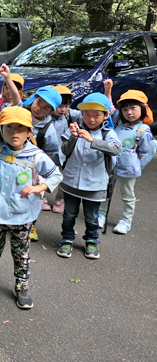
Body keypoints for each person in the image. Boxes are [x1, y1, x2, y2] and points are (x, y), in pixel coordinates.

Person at [0, 81, 62, 309]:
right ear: (1, 130)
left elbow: (56, 175)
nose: (14, 133)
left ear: (29, 131)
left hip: (22, 216)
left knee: (20, 253)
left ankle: (22, 286)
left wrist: (40, 188)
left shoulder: (37, 155)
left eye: (20, 128)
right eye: (9, 128)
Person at [56, 93, 121, 260]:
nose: (91, 119)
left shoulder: (108, 133)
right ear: (82, 114)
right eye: (87, 114)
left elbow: (116, 149)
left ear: (106, 115)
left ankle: (92, 240)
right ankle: (67, 238)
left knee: (92, 217)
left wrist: (92, 140)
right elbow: (63, 151)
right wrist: (73, 137)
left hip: (95, 185)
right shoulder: (74, 129)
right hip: (71, 182)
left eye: (97, 115)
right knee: (69, 214)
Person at [99, 84, 154, 234]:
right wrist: (108, 90)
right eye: (125, 109)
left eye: (133, 108)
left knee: (128, 195)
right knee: (106, 191)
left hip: (128, 169)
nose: (129, 113)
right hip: (111, 165)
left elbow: (143, 152)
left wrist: (133, 162)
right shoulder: (118, 122)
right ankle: (101, 214)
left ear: (143, 108)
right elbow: (108, 107)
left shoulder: (144, 130)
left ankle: (126, 220)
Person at [21, 86, 62, 240]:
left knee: (33, 198)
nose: (39, 108)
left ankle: (31, 226)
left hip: (35, 170)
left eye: (46, 107)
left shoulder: (49, 130)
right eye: (38, 102)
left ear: (51, 111)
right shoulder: (21, 115)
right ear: (34, 99)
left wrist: (42, 177)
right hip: (14, 164)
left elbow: (49, 154)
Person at [50, 85, 82, 213]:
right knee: (43, 175)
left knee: (64, 177)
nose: (63, 109)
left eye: (66, 106)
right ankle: (40, 196)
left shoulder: (69, 115)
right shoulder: (46, 116)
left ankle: (59, 199)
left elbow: (84, 114)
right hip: (48, 153)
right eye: (60, 106)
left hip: (65, 153)